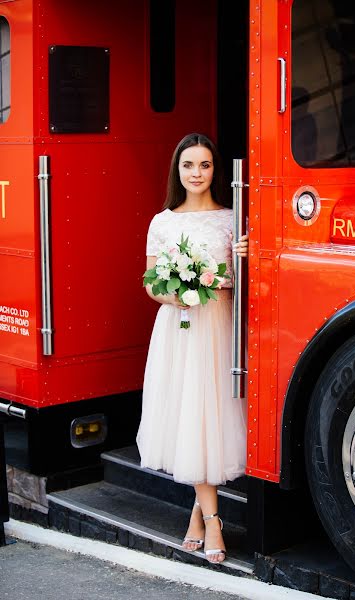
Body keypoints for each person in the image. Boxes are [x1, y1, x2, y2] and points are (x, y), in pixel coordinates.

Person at [136, 133, 248, 564]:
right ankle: (214, 520)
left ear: (215, 171)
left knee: (210, 416)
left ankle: (198, 517)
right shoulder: (162, 222)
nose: (196, 173)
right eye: (188, 165)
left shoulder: (231, 219)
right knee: (191, 415)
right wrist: (176, 295)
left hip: (218, 326)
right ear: (177, 170)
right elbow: (150, 283)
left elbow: (243, 283)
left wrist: (243, 259)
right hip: (179, 328)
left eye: (204, 165)